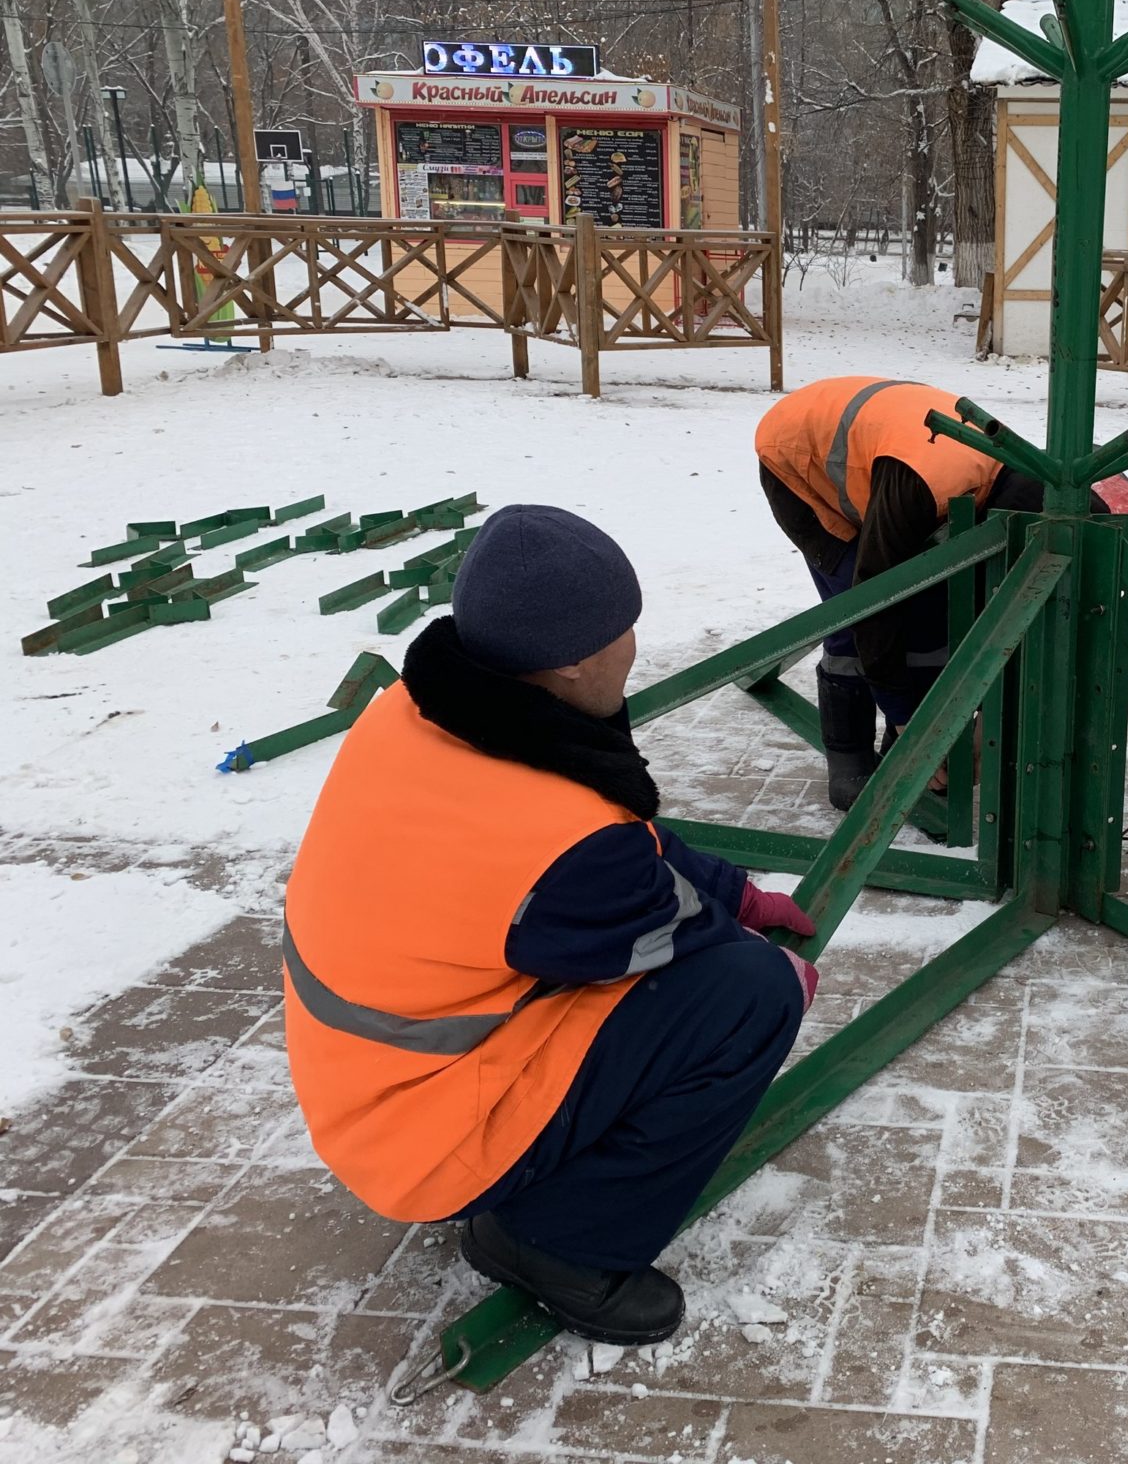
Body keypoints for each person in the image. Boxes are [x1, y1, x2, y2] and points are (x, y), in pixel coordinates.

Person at [282, 505, 819, 1345]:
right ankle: (555, 1244)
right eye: (624, 633)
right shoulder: (558, 844)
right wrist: (761, 954)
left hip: (364, 1079)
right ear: (570, 663)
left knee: (722, 969)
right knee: (749, 995)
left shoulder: (422, 712)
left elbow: (617, 841)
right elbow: (651, 910)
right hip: (420, 1133)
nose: (633, 650)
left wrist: (738, 893)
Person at [755, 376, 1050, 809]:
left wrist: (991, 711)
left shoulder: (1026, 477)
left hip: (888, 448)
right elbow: (873, 602)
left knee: (932, 609)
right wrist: (906, 719)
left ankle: (918, 745)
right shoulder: (925, 487)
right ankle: (850, 756)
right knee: (854, 613)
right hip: (799, 457)